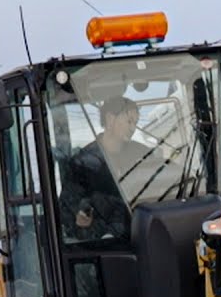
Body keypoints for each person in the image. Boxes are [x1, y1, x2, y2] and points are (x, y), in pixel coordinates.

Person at [60, 96, 156, 242]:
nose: (133, 128)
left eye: (135, 123)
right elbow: (68, 213)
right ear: (110, 119)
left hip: (147, 236)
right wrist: (79, 218)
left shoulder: (143, 154)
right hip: (103, 248)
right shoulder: (82, 164)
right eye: (129, 121)